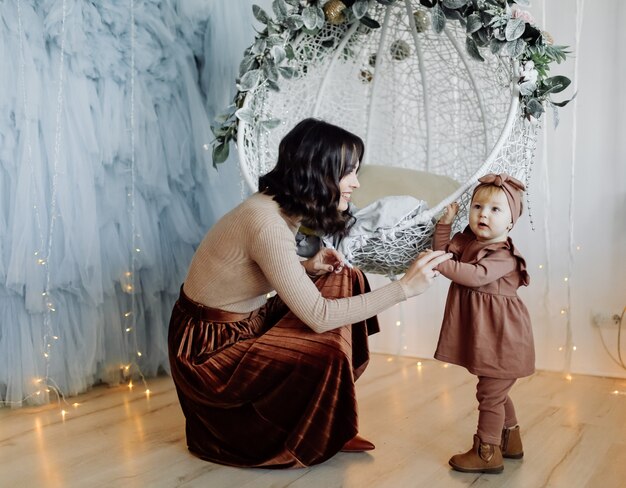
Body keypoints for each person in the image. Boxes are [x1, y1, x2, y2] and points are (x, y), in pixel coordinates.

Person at [168, 118, 452, 468]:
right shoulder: (266, 221)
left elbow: (244, 274)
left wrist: (306, 268)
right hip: (209, 351)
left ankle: (332, 420)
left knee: (347, 279)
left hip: (241, 323)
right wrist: (403, 288)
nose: (356, 183)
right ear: (318, 172)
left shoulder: (276, 210)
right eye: (348, 173)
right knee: (325, 350)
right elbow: (318, 317)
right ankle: (322, 425)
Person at [432, 173, 535, 474]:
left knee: (490, 394)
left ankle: (487, 452)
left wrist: (437, 263)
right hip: (487, 335)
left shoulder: (504, 256)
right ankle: (510, 439)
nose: (483, 214)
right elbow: (445, 254)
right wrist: (445, 224)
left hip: (504, 338)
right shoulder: (469, 242)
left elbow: (473, 276)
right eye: (477, 207)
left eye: (494, 210)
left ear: (510, 222)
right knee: (494, 390)